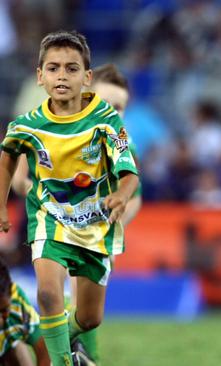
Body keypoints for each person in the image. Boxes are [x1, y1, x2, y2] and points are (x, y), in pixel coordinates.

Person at [0, 30, 139, 366]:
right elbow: (6, 161)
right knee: (48, 293)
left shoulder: (107, 122)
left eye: (71, 68)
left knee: (90, 318)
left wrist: (121, 195)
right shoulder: (25, 127)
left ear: (87, 77)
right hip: (50, 220)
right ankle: (62, 361)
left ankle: (63, 339)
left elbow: (129, 173)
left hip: (95, 226)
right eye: (53, 68)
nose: (61, 75)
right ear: (40, 76)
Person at [0, 258, 50, 366]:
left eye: (3, 310)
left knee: (17, 345)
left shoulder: (16, 300)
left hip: (8, 344)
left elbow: (43, 349)